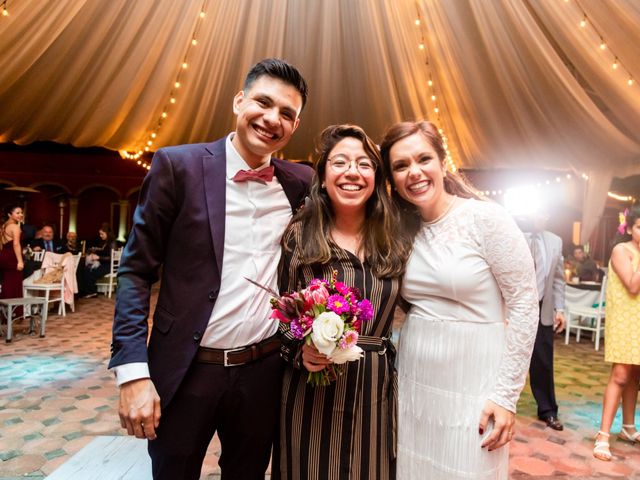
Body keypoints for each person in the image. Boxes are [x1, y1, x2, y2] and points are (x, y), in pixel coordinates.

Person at [109, 58, 312, 480]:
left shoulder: (300, 183)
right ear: (240, 101)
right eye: (263, 102)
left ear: (294, 126)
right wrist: (132, 373)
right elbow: (135, 271)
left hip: (264, 370)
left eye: (287, 114)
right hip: (186, 370)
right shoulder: (176, 167)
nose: (272, 119)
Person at [380, 120, 539, 480]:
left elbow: (525, 304)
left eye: (423, 159)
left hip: (475, 380)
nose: (415, 172)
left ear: (442, 161)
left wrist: (506, 395)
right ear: (391, 178)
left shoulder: (486, 219)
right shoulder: (402, 231)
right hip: (416, 379)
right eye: (401, 166)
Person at [275, 125, 408, 480]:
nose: (352, 172)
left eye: (364, 164)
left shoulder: (394, 239)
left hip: (374, 388)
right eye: (340, 162)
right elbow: (279, 316)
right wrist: (299, 350)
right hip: (312, 393)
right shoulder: (299, 236)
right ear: (321, 177)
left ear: (376, 179)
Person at [593, 205, 640, 461]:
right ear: (630, 228)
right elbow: (633, 285)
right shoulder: (621, 251)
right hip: (626, 320)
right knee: (621, 374)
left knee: (635, 372)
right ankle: (603, 436)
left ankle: (629, 428)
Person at [524, 211, 566, 431]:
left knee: (543, 361)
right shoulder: (513, 234)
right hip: (513, 308)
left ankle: (548, 411)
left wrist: (560, 309)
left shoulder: (555, 241)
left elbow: (558, 280)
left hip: (543, 309)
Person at [77, 223, 117, 298]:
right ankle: (86, 291)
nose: (100, 235)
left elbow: (111, 258)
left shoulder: (112, 243)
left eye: (102, 234)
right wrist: (95, 251)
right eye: (100, 234)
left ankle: (92, 292)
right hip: (105, 264)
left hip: (108, 266)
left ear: (107, 233)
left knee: (90, 271)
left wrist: (98, 257)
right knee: (86, 269)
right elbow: (104, 251)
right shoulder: (106, 242)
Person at [0, 204, 25, 303]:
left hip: (3, 256)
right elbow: (16, 244)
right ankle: (14, 314)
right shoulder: (15, 227)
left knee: (6, 283)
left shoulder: (3, 226)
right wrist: (20, 261)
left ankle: (5, 313)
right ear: (9, 214)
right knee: (14, 284)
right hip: (12, 258)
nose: (21, 215)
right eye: (17, 213)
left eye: (21, 213)